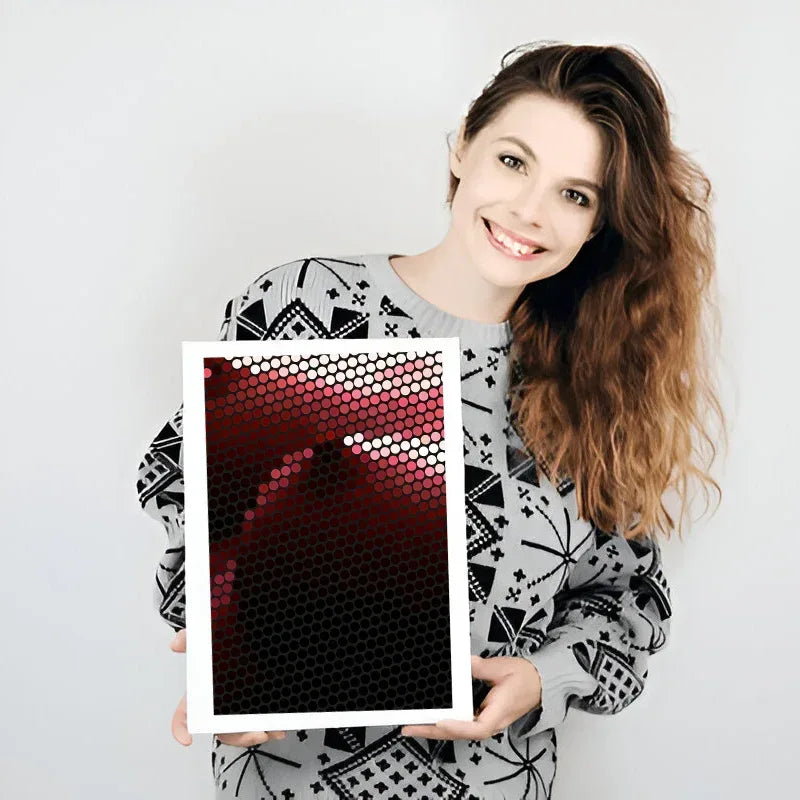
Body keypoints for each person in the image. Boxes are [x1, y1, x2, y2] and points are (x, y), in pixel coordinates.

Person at [136, 41, 725, 799]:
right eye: (514, 162)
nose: (528, 212)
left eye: (575, 195)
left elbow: (628, 604)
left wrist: (539, 677)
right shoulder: (308, 306)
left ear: (597, 227)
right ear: (462, 148)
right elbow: (185, 493)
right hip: (288, 779)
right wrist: (224, 653)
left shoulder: (594, 386)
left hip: (489, 782)